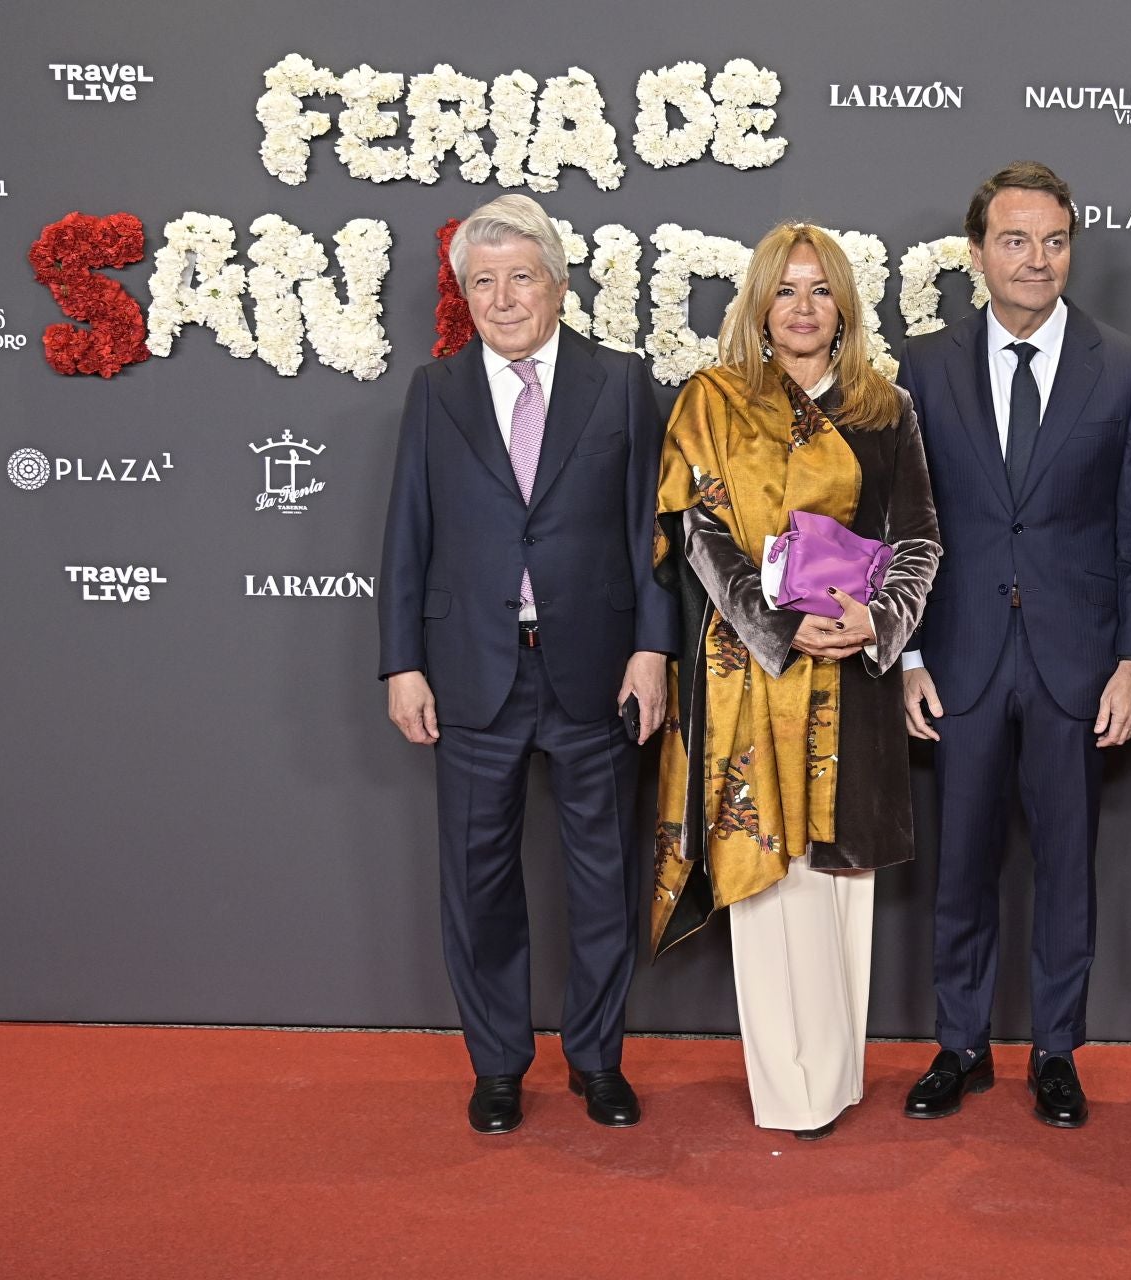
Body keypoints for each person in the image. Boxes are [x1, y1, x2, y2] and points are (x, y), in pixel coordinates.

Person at [377, 194, 676, 1135]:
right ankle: (498, 1064)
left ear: (557, 283)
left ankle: (596, 1061)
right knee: (479, 880)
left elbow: (650, 534)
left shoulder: (622, 382)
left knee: (601, 877)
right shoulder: (437, 391)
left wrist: (653, 646)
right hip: (470, 670)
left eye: (520, 278)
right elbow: (406, 538)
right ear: (463, 294)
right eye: (481, 282)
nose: (502, 299)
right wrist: (401, 664)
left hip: (594, 669)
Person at [650, 222, 941, 1141]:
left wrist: (878, 620)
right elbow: (698, 534)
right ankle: (788, 1085)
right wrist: (775, 623)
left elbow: (919, 538)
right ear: (758, 305)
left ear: (845, 305)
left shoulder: (883, 407)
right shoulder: (713, 400)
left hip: (850, 676)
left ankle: (840, 1074)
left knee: (837, 881)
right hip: (752, 677)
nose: (804, 308)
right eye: (787, 290)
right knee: (769, 886)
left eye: (821, 290)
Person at [896, 161, 1131, 1129]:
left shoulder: (1126, 365)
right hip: (959, 657)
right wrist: (911, 655)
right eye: (1014, 240)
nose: (1036, 259)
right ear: (977, 255)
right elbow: (904, 521)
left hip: (1077, 661)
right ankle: (959, 1044)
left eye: (1053, 241)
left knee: (1067, 864)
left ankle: (1056, 1049)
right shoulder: (923, 365)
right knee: (959, 864)